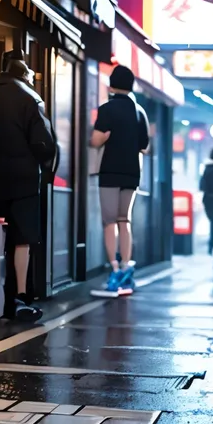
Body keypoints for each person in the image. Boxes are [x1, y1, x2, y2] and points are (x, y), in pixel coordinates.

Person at [0, 58, 57, 321]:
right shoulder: (31, 98)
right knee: (22, 239)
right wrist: (45, 167)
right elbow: (44, 144)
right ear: (25, 75)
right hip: (23, 180)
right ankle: (20, 297)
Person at [90, 65, 150, 293]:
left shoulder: (107, 109)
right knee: (125, 220)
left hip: (110, 171)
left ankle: (114, 270)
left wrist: (105, 136)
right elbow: (144, 147)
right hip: (132, 172)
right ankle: (126, 268)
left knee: (109, 221)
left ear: (112, 85)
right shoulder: (139, 112)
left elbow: (95, 141)